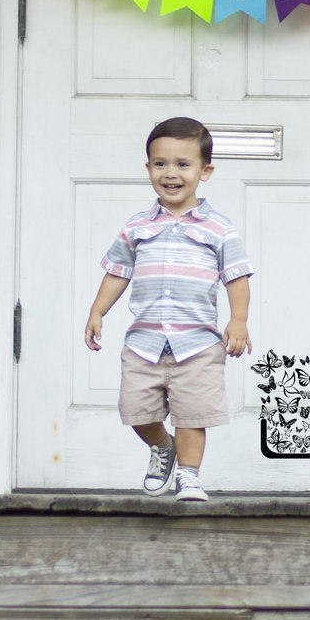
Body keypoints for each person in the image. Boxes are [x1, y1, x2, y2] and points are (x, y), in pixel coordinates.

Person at [84, 117, 253, 502]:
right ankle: (163, 446)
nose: (171, 173)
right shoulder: (137, 226)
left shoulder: (219, 228)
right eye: (160, 164)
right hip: (143, 342)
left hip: (197, 343)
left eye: (183, 164)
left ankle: (189, 477)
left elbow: (237, 277)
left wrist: (238, 319)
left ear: (204, 172)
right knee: (136, 410)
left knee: (192, 415)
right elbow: (117, 272)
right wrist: (97, 311)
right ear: (148, 169)